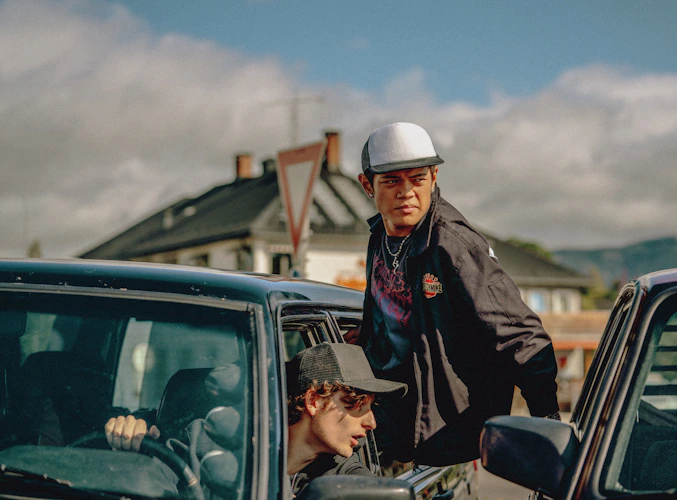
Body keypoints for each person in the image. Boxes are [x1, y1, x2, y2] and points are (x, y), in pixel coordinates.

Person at [353, 122, 560, 466]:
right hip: (385, 419)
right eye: (391, 181)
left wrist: (548, 428)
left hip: (443, 432)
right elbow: (388, 318)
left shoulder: (452, 244)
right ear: (367, 185)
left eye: (417, 179)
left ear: (434, 177)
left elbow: (522, 337)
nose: (406, 192)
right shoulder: (380, 238)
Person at [105, 343, 407, 498]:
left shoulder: (340, 478)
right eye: (357, 405)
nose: (371, 422)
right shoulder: (207, 440)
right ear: (314, 401)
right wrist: (127, 448)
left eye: (371, 407)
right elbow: (150, 482)